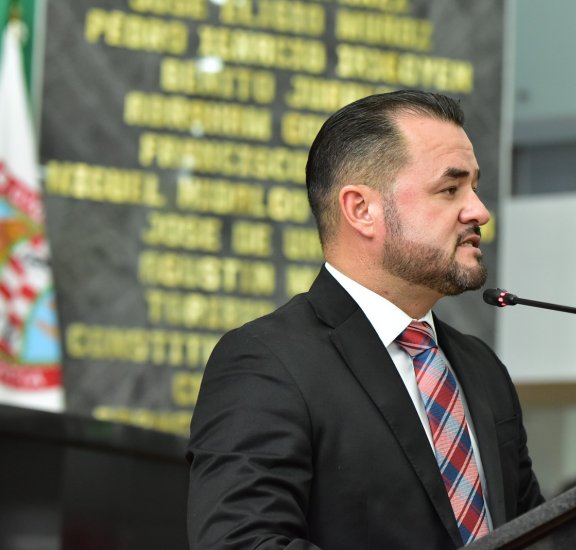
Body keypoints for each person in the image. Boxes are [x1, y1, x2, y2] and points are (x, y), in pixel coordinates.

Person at [186, 89, 544, 549]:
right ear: (362, 210)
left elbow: (537, 532)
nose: (479, 211)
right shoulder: (267, 362)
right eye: (450, 189)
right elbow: (242, 543)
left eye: (474, 187)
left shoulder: (481, 367)